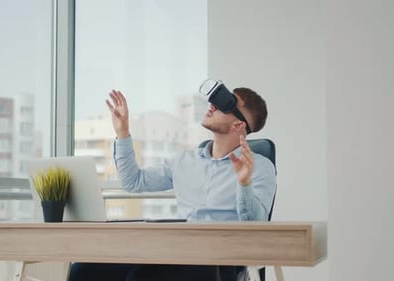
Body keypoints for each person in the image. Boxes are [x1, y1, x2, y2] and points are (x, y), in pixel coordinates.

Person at [69, 80, 276, 281]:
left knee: (142, 277)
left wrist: (244, 184)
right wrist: (122, 132)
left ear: (239, 124)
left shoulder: (260, 167)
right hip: (175, 251)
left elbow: (255, 227)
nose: (212, 106)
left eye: (224, 104)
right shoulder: (185, 161)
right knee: (84, 270)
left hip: (222, 261)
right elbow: (134, 181)